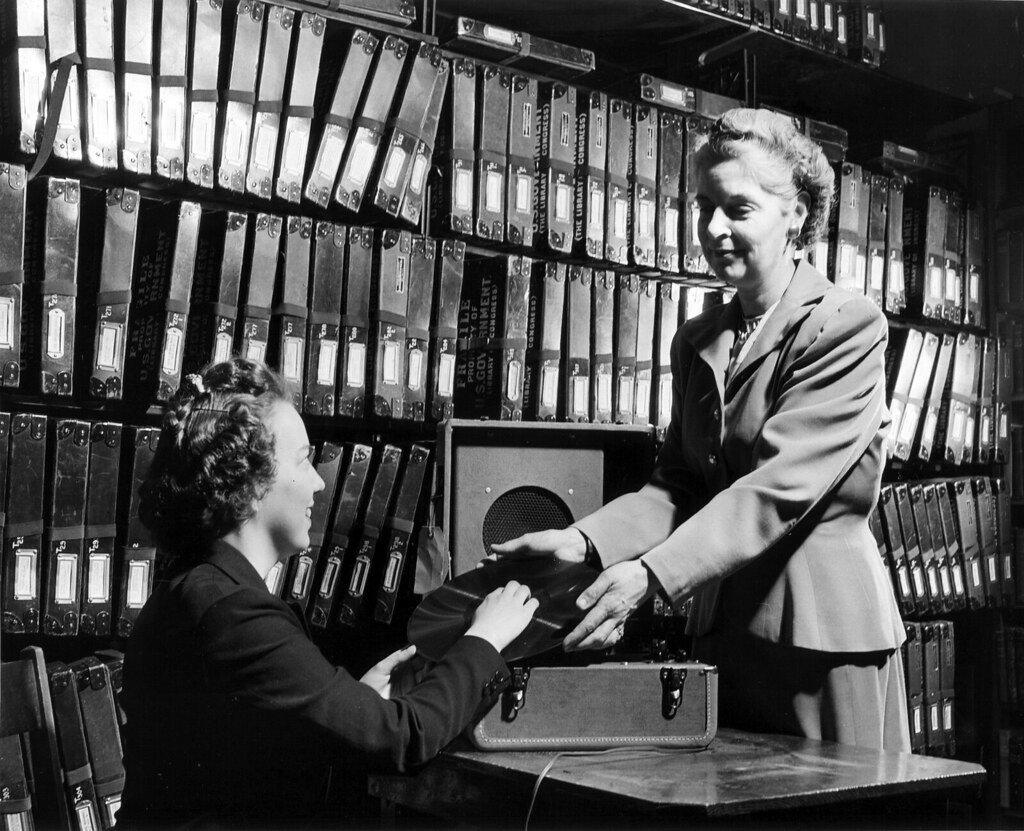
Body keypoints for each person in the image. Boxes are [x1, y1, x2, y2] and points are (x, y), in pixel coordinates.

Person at [493, 107, 909, 753]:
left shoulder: (846, 323)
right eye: (702, 206)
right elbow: (679, 483)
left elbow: (779, 488)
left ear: (795, 213)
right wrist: (585, 541)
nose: (714, 228)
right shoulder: (698, 337)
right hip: (721, 626)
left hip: (820, 632)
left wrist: (650, 577)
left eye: (737, 208)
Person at [118, 357, 538, 828]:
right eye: (302, 461)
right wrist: (485, 641)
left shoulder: (198, 590)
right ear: (250, 483)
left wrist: (349, 704)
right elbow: (403, 739)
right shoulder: (233, 614)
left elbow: (244, 763)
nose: (319, 482)